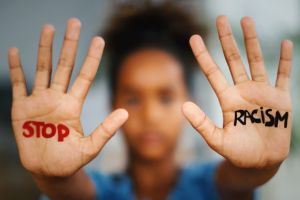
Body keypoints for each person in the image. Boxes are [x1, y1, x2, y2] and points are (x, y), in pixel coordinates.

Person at [7, 2, 293, 200]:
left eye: (166, 97)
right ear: (112, 103)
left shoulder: (210, 184)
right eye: (132, 98)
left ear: (189, 99)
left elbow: (236, 183)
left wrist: (257, 168)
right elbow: (73, 191)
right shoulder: (102, 190)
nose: (151, 114)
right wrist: (53, 178)